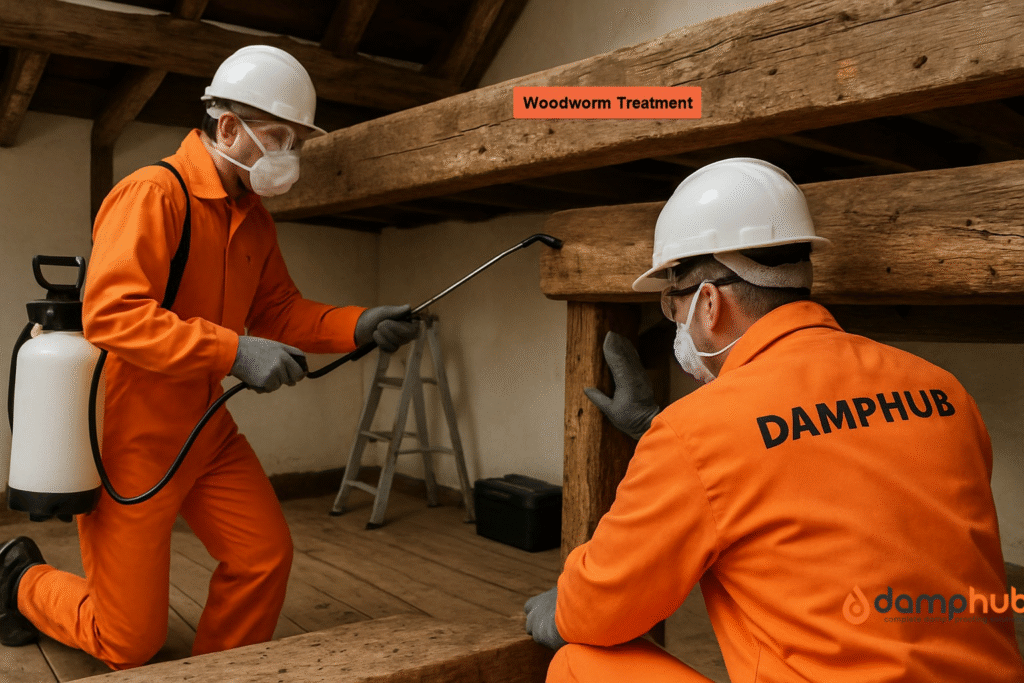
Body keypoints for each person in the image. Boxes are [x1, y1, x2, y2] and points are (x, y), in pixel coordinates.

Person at [524, 158, 1024, 681]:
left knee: (579, 663)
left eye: (673, 310)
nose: (677, 327)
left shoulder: (699, 431)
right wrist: (658, 430)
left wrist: (562, 608)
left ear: (709, 305)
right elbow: (835, 477)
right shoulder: (941, 388)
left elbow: (600, 608)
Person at [0, 45, 419, 669]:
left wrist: (360, 324)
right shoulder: (152, 194)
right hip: (131, 438)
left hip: (205, 429)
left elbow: (278, 312)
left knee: (262, 555)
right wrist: (233, 350)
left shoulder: (254, 218)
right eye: (279, 138)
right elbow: (112, 315)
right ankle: (19, 582)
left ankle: (222, 670)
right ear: (229, 127)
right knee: (128, 643)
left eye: (296, 143)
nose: (289, 157)